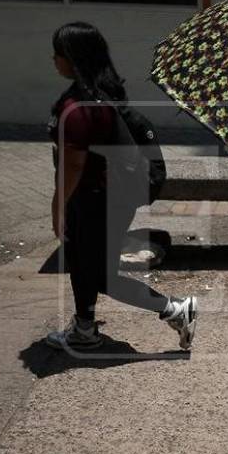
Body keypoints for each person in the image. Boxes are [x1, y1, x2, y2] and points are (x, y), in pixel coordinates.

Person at [45, 21, 197, 351]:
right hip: (107, 198)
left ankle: (173, 310)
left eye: (57, 53)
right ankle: (85, 328)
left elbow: (74, 163)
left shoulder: (82, 104)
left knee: (95, 272)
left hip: (94, 199)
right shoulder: (102, 94)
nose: (53, 60)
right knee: (90, 268)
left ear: (72, 57)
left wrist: (58, 205)